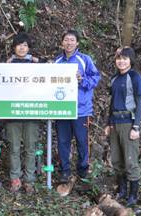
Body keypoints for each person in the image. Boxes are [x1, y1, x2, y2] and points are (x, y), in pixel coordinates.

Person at [54, 30, 101, 184]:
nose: (69, 43)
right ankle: (65, 171)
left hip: (81, 109)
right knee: (63, 141)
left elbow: (95, 78)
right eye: (66, 40)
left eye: (72, 40)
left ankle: (82, 170)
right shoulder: (57, 62)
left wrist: (82, 80)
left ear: (77, 43)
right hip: (61, 108)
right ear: (62, 43)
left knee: (82, 141)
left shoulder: (84, 60)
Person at [104, 47, 141, 206]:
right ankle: (122, 191)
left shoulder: (135, 77)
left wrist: (136, 127)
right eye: (119, 58)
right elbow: (111, 103)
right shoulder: (114, 78)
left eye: (125, 58)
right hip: (115, 123)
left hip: (129, 122)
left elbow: (140, 103)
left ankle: (133, 196)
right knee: (117, 159)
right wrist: (108, 123)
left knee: (130, 160)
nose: (121, 61)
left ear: (131, 60)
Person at [6, 32, 42, 193]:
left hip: (31, 112)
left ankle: (29, 180)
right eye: (19, 45)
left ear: (29, 48)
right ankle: (15, 179)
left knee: (30, 148)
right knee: (13, 147)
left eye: (25, 45)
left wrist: (39, 62)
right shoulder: (7, 66)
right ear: (14, 47)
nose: (22, 48)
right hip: (12, 112)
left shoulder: (36, 65)